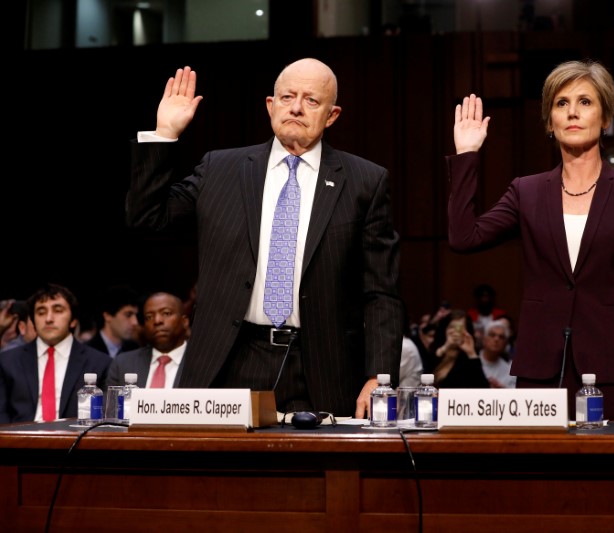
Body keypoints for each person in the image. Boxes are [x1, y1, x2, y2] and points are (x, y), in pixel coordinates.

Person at [127, 60, 403, 417]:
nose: (296, 107)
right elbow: (147, 218)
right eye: (287, 97)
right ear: (270, 106)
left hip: (320, 366)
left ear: (332, 115)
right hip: (227, 359)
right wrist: (164, 134)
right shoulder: (220, 169)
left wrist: (378, 377)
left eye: (311, 100)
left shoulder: (365, 181)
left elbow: (381, 292)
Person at [447, 59, 614, 419]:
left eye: (585, 102)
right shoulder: (527, 191)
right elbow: (463, 237)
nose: (572, 112)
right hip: (542, 373)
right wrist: (467, 155)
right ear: (550, 121)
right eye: (561, 103)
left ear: (606, 117)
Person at [0, 283, 111, 423]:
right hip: (18, 441)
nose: (49, 319)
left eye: (58, 310)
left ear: (73, 321)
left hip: (76, 441)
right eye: (41, 312)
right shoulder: (7, 361)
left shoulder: (100, 363)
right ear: (33, 321)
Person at [107, 292, 190, 388]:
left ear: (184, 322)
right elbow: (111, 402)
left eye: (166, 313)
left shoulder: (203, 364)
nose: (157, 320)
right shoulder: (123, 364)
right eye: (149, 317)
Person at [421, 309, 489, 388]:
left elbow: (483, 388)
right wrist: (445, 347)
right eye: (451, 327)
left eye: (460, 328)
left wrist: (471, 353)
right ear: (445, 329)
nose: (455, 331)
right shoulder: (436, 351)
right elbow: (425, 376)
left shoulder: (469, 359)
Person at [85, 285, 141, 358]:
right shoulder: (88, 351)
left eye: (135, 316)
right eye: (128, 315)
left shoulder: (135, 349)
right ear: (108, 316)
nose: (135, 322)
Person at [480, 319, 516, 388]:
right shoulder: (471, 360)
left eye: (501, 337)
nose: (496, 339)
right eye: (492, 335)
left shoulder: (510, 369)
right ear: (484, 339)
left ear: (506, 343)